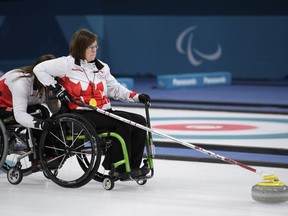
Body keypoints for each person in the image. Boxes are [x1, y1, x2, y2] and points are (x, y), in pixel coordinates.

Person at [33, 29, 151, 179]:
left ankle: (133, 166)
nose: (94, 50)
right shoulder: (66, 64)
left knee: (139, 121)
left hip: (103, 111)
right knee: (123, 123)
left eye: (96, 47)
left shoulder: (102, 67)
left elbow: (115, 89)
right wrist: (57, 89)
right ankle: (118, 166)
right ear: (80, 47)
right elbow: (39, 69)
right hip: (80, 113)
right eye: (90, 47)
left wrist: (137, 97)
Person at [0, 54, 59, 170]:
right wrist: (40, 124)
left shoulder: (46, 83)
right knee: (35, 114)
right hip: (2, 108)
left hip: (18, 106)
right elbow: (20, 114)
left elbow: (55, 110)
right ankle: (37, 159)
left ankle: (49, 154)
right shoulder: (21, 83)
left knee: (44, 112)